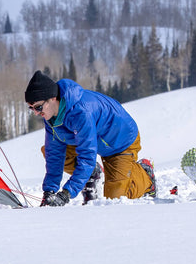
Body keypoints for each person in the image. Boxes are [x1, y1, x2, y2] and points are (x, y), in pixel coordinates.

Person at [25, 71, 156, 206]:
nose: (36, 113)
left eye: (38, 107)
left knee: (115, 196)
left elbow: (87, 156)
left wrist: (66, 194)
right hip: (94, 142)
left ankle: (146, 176)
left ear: (52, 98)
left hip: (120, 143)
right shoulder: (50, 117)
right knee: (48, 151)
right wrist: (49, 192)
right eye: (31, 108)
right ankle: (91, 172)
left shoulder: (81, 112)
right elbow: (54, 155)